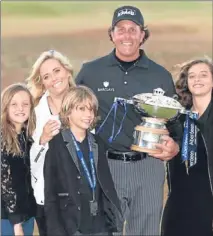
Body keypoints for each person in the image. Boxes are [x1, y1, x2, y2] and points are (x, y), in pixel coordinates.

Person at [75, 5, 180, 235]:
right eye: (120, 29)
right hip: (105, 165)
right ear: (111, 34)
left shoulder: (160, 75)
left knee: (146, 231)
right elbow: (71, 113)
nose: (127, 35)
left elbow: (175, 123)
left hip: (148, 167)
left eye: (133, 29)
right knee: (103, 230)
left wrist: (174, 146)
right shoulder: (90, 72)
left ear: (143, 35)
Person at [44, 85, 123, 235]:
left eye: (91, 109)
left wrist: (114, 225)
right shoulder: (56, 145)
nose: (88, 114)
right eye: (81, 109)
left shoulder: (98, 143)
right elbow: (50, 196)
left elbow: (107, 186)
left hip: (101, 226)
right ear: (68, 112)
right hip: (72, 227)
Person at [26, 50, 76, 236]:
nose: (54, 78)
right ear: (42, 82)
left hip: (80, 196)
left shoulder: (84, 103)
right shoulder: (35, 114)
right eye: (47, 76)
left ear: (67, 71)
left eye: (57, 71)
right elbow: (30, 163)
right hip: (47, 198)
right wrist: (42, 140)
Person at [161, 57, 213, 236]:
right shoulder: (178, 118)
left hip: (208, 204)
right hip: (179, 203)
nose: (197, 79)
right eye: (192, 76)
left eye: (203, 75)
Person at [1, 83, 36, 236]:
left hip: (26, 213)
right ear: (5, 108)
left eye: (25, 104)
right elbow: (6, 182)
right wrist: (16, 224)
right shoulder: (3, 139)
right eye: (13, 104)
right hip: (8, 218)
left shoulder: (25, 137)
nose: (20, 108)